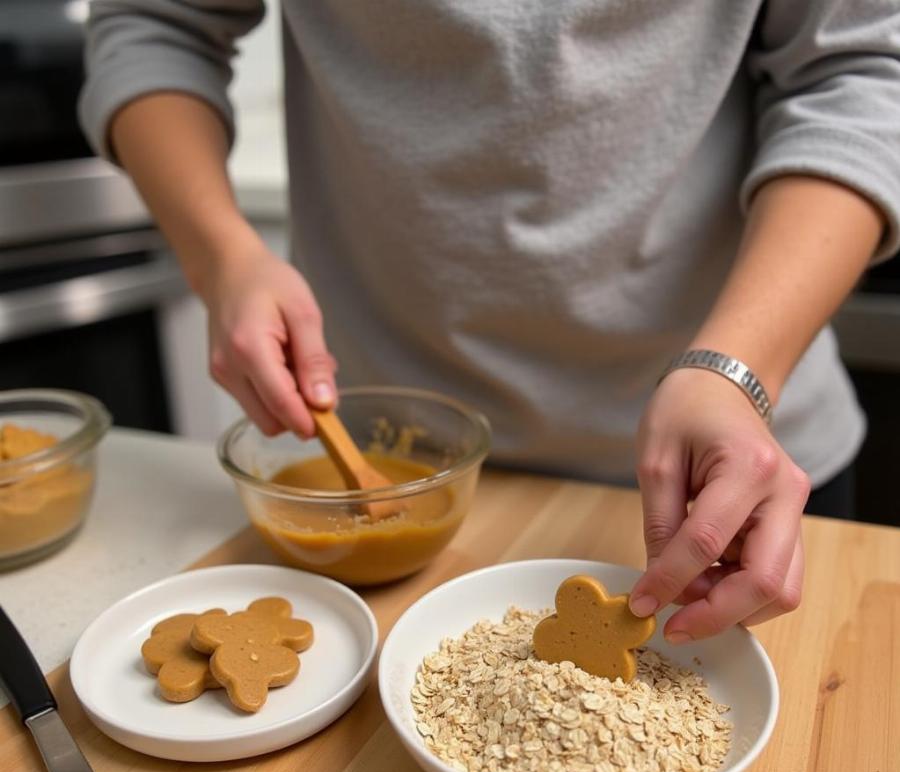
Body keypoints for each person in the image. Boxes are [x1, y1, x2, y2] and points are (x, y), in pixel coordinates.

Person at [80, 2, 900, 644]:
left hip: (733, 467)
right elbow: (158, 21)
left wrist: (737, 367)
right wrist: (222, 256)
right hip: (389, 456)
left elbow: (861, 71)